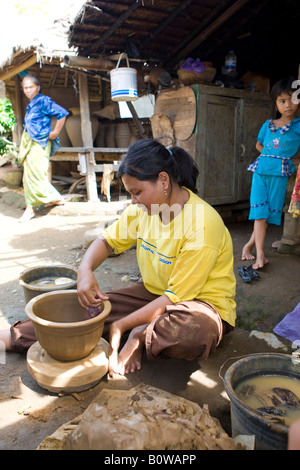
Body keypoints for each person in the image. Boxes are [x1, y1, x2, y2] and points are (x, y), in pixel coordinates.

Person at [0, 140, 236, 376]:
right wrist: (85, 270)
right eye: (131, 193)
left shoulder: (202, 224)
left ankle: (142, 334)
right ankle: (12, 337)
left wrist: (126, 327)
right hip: (154, 294)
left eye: (137, 192)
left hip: (199, 306)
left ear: (164, 181)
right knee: (91, 307)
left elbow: (175, 298)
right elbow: (106, 242)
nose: (133, 201)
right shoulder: (142, 210)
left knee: (194, 332)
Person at [242, 77, 300, 269]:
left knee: (264, 216)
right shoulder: (268, 124)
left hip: (279, 176)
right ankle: (260, 255)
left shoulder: (299, 126)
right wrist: (270, 158)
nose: (287, 105)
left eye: (292, 99)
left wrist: (291, 162)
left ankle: (249, 245)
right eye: (281, 101)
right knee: (259, 213)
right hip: (260, 171)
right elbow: (259, 144)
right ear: (276, 103)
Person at [18, 75, 69, 223]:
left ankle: (36, 206)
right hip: (30, 142)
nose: (27, 90)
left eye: (30, 87)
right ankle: (35, 206)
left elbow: (62, 113)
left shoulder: (43, 101)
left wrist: (55, 132)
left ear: (38, 87)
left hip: (40, 142)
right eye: (25, 88)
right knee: (28, 175)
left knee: (36, 175)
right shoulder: (31, 104)